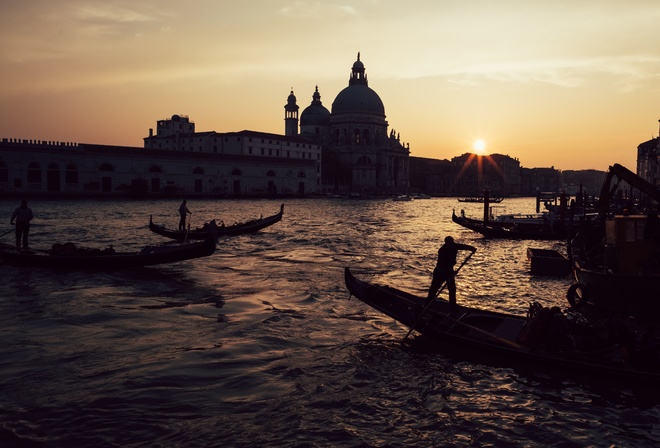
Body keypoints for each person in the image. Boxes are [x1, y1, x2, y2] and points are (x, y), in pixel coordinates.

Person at [427, 236, 476, 310]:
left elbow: (462, 246)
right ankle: (427, 304)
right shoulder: (442, 251)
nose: (452, 245)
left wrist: (471, 248)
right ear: (446, 243)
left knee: (452, 289)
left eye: (452, 243)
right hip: (440, 272)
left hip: (449, 271)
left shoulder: (454, 246)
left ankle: (453, 307)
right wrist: (451, 271)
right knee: (434, 289)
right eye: (450, 244)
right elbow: (444, 264)